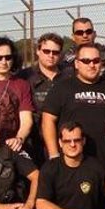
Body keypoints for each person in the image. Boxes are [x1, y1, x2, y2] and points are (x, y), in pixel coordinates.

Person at [42, 43, 105, 167]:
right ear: (77, 64)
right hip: (71, 163)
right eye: (86, 61)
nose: (91, 65)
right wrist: (54, 154)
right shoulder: (62, 88)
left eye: (96, 61)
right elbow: (48, 121)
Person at [19, 33, 71, 165]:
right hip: (34, 141)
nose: (51, 55)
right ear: (38, 51)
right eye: (46, 51)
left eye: (55, 52)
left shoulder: (70, 75)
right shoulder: (24, 77)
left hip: (66, 139)